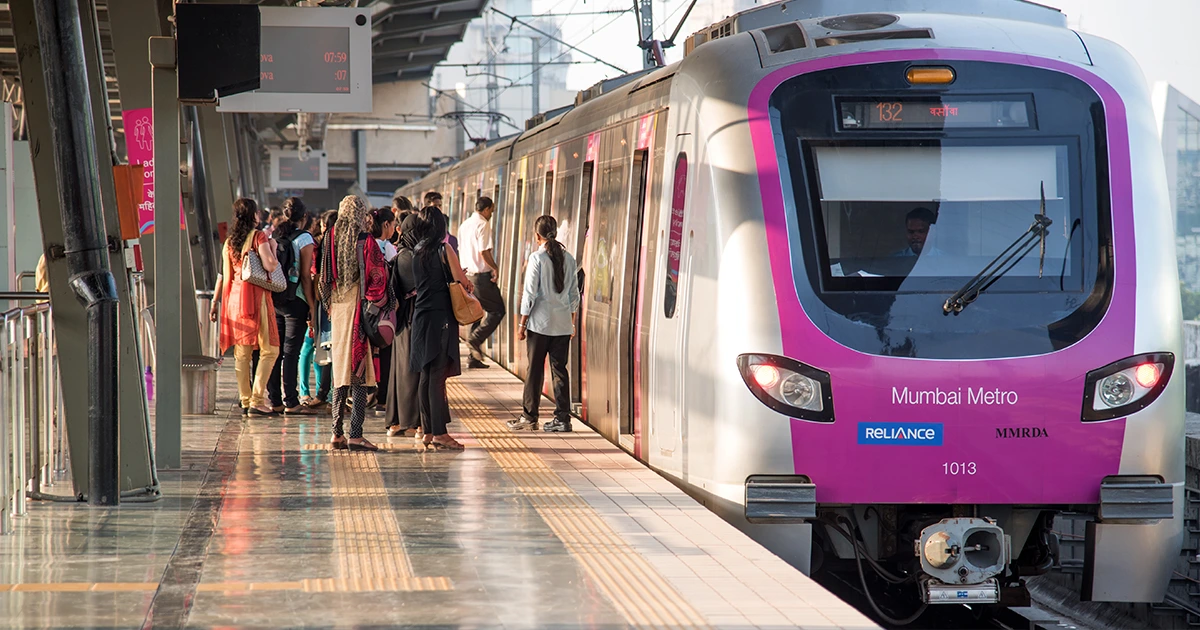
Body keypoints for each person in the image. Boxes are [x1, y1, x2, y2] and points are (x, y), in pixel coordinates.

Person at [318, 195, 392, 451]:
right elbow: (377, 278)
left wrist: (329, 307)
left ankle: (336, 433)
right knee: (359, 372)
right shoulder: (366, 240)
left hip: (337, 309)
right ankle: (356, 434)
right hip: (358, 310)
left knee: (340, 371)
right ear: (362, 214)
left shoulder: (329, 237)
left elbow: (322, 278)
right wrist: (381, 304)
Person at [508, 216, 580, 433]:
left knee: (535, 371)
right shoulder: (569, 259)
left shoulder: (537, 258)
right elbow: (574, 295)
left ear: (537, 235)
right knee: (560, 371)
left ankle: (530, 417)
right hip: (562, 325)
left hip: (539, 325)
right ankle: (562, 419)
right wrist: (572, 323)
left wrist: (522, 324)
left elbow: (529, 294)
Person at [210, 197, 281, 416]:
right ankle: (257, 400)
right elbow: (270, 264)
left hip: (234, 299)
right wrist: (273, 248)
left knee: (242, 354)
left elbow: (223, 275)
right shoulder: (258, 236)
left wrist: (215, 302)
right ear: (254, 215)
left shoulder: (230, 241)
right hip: (255, 297)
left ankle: (245, 399)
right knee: (271, 349)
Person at [409, 206, 472, 450]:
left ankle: (427, 431)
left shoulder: (417, 250)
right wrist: (466, 281)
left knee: (425, 375)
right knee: (437, 376)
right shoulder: (443, 248)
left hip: (421, 317)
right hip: (440, 317)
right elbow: (459, 280)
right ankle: (440, 433)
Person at [266, 197, 317, 415]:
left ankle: (275, 400)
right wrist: (313, 307)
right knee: (291, 352)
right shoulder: (305, 238)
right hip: (296, 301)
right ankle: (291, 402)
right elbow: (305, 276)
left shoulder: (276, 235)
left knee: (276, 352)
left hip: (276, 298)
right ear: (304, 217)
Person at [383, 212, 424, 438]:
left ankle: (395, 423)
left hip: (400, 322)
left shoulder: (398, 258)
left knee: (398, 371)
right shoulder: (421, 257)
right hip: (419, 317)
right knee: (416, 371)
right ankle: (417, 424)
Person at [458, 196, 504, 369]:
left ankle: (473, 358)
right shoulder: (483, 224)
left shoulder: (465, 225)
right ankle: (475, 339)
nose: (491, 213)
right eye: (492, 210)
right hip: (481, 277)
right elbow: (484, 251)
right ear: (486, 209)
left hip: (468, 276)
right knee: (498, 310)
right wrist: (495, 267)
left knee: (477, 314)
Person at [303, 210, 338, 409]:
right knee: (332, 350)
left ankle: (324, 393)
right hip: (331, 304)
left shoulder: (322, 243)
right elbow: (324, 278)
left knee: (327, 349)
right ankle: (327, 394)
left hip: (324, 304)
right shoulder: (331, 244)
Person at [423, 191, 458, 255]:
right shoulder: (421, 223)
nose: (438, 208)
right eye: (435, 206)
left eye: (440, 205)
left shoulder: (443, 224)